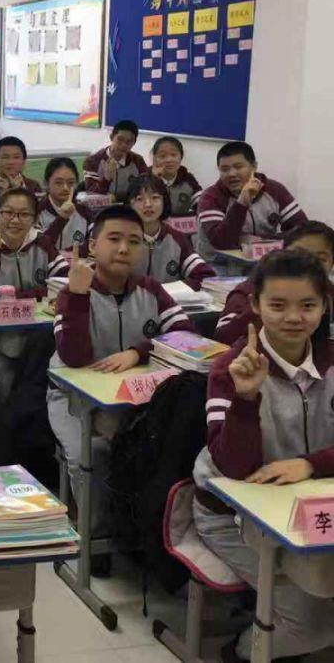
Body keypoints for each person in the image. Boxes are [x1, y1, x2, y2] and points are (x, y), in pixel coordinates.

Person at [192, 250, 334, 661]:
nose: (294, 317)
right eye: (278, 305)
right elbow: (233, 468)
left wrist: (310, 464)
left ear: (324, 305)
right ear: (255, 305)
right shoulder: (231, 368)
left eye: (307, 305)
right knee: (313, 624)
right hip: (233, 516)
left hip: (312, 503)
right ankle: (241, 651)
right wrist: (246, 398)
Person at [48, 206, 195, 560]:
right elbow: (74, 356)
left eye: (134, 241)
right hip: (75, 400)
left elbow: (187, 336)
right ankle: (97, 537)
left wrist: (137, 351)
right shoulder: (72, 293)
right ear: (93, 245)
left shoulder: (151, 289)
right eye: (113, 239)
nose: (124, 249)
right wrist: (79, 295)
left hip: (137, 398)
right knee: (90, 454)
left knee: (159, 448)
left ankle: (144, 532)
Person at [0, 187, 68, 404]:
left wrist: (18, 296)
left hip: (40, 336)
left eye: (24, 214)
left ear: (35, 219)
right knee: (6, 376)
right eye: (8, 213)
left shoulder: (43, 244)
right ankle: (6, 420)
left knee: (56, 375)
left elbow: (64, 285)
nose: (15, 220)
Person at [215, 221, 334, 345]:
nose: (307, 264)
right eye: (298, 255)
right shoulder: (249, 291)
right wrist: (263, 307)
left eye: (320, 259)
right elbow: (222, 338)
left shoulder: (329, 293)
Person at [196, 141, 307, 261]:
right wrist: (241, 203)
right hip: (219, 266)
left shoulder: (274, 190)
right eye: (224, 169)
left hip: (264, 262)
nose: (231, 174)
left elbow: (304, 231)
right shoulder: (211, 197)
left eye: (238, 167)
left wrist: (258, 241)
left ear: (254, 166)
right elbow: (221, 242)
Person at [125, 175, 214, 290]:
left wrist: (166, 290)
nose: (148, 204)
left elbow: (205, 276)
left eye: (155, 197)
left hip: (169, 299)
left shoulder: (177, 238)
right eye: (139, 199)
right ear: (130, 204)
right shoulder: (122, 239)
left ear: (164, 201)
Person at [37, 157, 93, 251]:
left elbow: (94, 243)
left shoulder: (84, 212)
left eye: (71, 183)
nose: (65, 188)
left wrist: (67, 254)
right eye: (58, 183)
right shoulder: (36, 211)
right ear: (46, 183)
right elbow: (39, 248)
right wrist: (61, 218)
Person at [83, 119, 147, 200]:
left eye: (129, 142)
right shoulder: (93, 161)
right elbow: (91, 195)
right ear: (111, 137)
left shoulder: (138, 161)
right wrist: (106, 179)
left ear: (134, 143)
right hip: (101, 207)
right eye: (120, 139)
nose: (124, 145)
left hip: (129, 206)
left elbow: (146, 188)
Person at [147, 136, 202, 217]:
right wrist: (153, 179)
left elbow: (202, 205)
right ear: (154, 159)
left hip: (179, 223)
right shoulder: (145, 177)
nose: (169, 160)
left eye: (173, 155)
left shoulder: (188, 179)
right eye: (162, 156)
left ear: (181, 157)